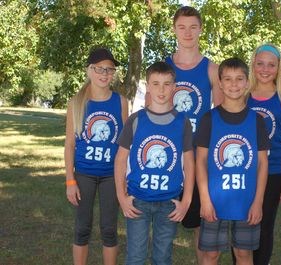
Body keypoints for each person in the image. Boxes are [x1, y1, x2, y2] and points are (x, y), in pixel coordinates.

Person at [114, 62, 195, 265]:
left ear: (174, 87)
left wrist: (186, 202)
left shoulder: (182, 123)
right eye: (156, 83)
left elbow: (190, 164)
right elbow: (120, 160)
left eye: (167, 84)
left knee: (162, 256)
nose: (161, 89)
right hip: (138, 200)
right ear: (147, 86)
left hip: (169, 202)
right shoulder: (135, 120)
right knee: (135, 256)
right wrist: (121, 197)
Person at [164, 5, 224, 263]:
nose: (187, 32)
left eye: (192, 27)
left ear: (200, 30)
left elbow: (221, 117)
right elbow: (151, 113)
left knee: (202, 230)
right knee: (164, 226)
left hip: (200, 157)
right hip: (168, 156)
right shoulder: (163, 67)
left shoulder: (212, 69)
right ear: (174, 30)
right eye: (181, 27)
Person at [196, 57, 269, 265]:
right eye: (228, 79)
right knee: (211, 254)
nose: (234, 84)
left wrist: (258, 201)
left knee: (244, 254)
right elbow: (200, 161)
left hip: (246, 201)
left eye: (239, 79)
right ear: (219, 83)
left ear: (247, 82)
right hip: (215, 200)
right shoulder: (209, 119)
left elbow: (262, 164)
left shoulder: (256, 121)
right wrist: (205, 200)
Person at [64, 47, 128, 265]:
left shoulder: (121, 102)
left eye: (109, 70)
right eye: (99, 69)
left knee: (109, 229)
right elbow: (70, 145)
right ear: (89, 70)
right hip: (84, 175)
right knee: (82, 227)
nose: (104, 74)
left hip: (112, 175)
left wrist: (125, 177)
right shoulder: (76, 103)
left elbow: (125, 144)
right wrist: (70, 180)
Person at [246, 43, 281, 265]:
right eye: (260, 64)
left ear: (279, 68)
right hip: (243, 172)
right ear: (253, 65)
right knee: (243, 224)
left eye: (271, 65)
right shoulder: (242, 94)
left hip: (274, 172)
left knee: (264, 226)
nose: (265, 69)